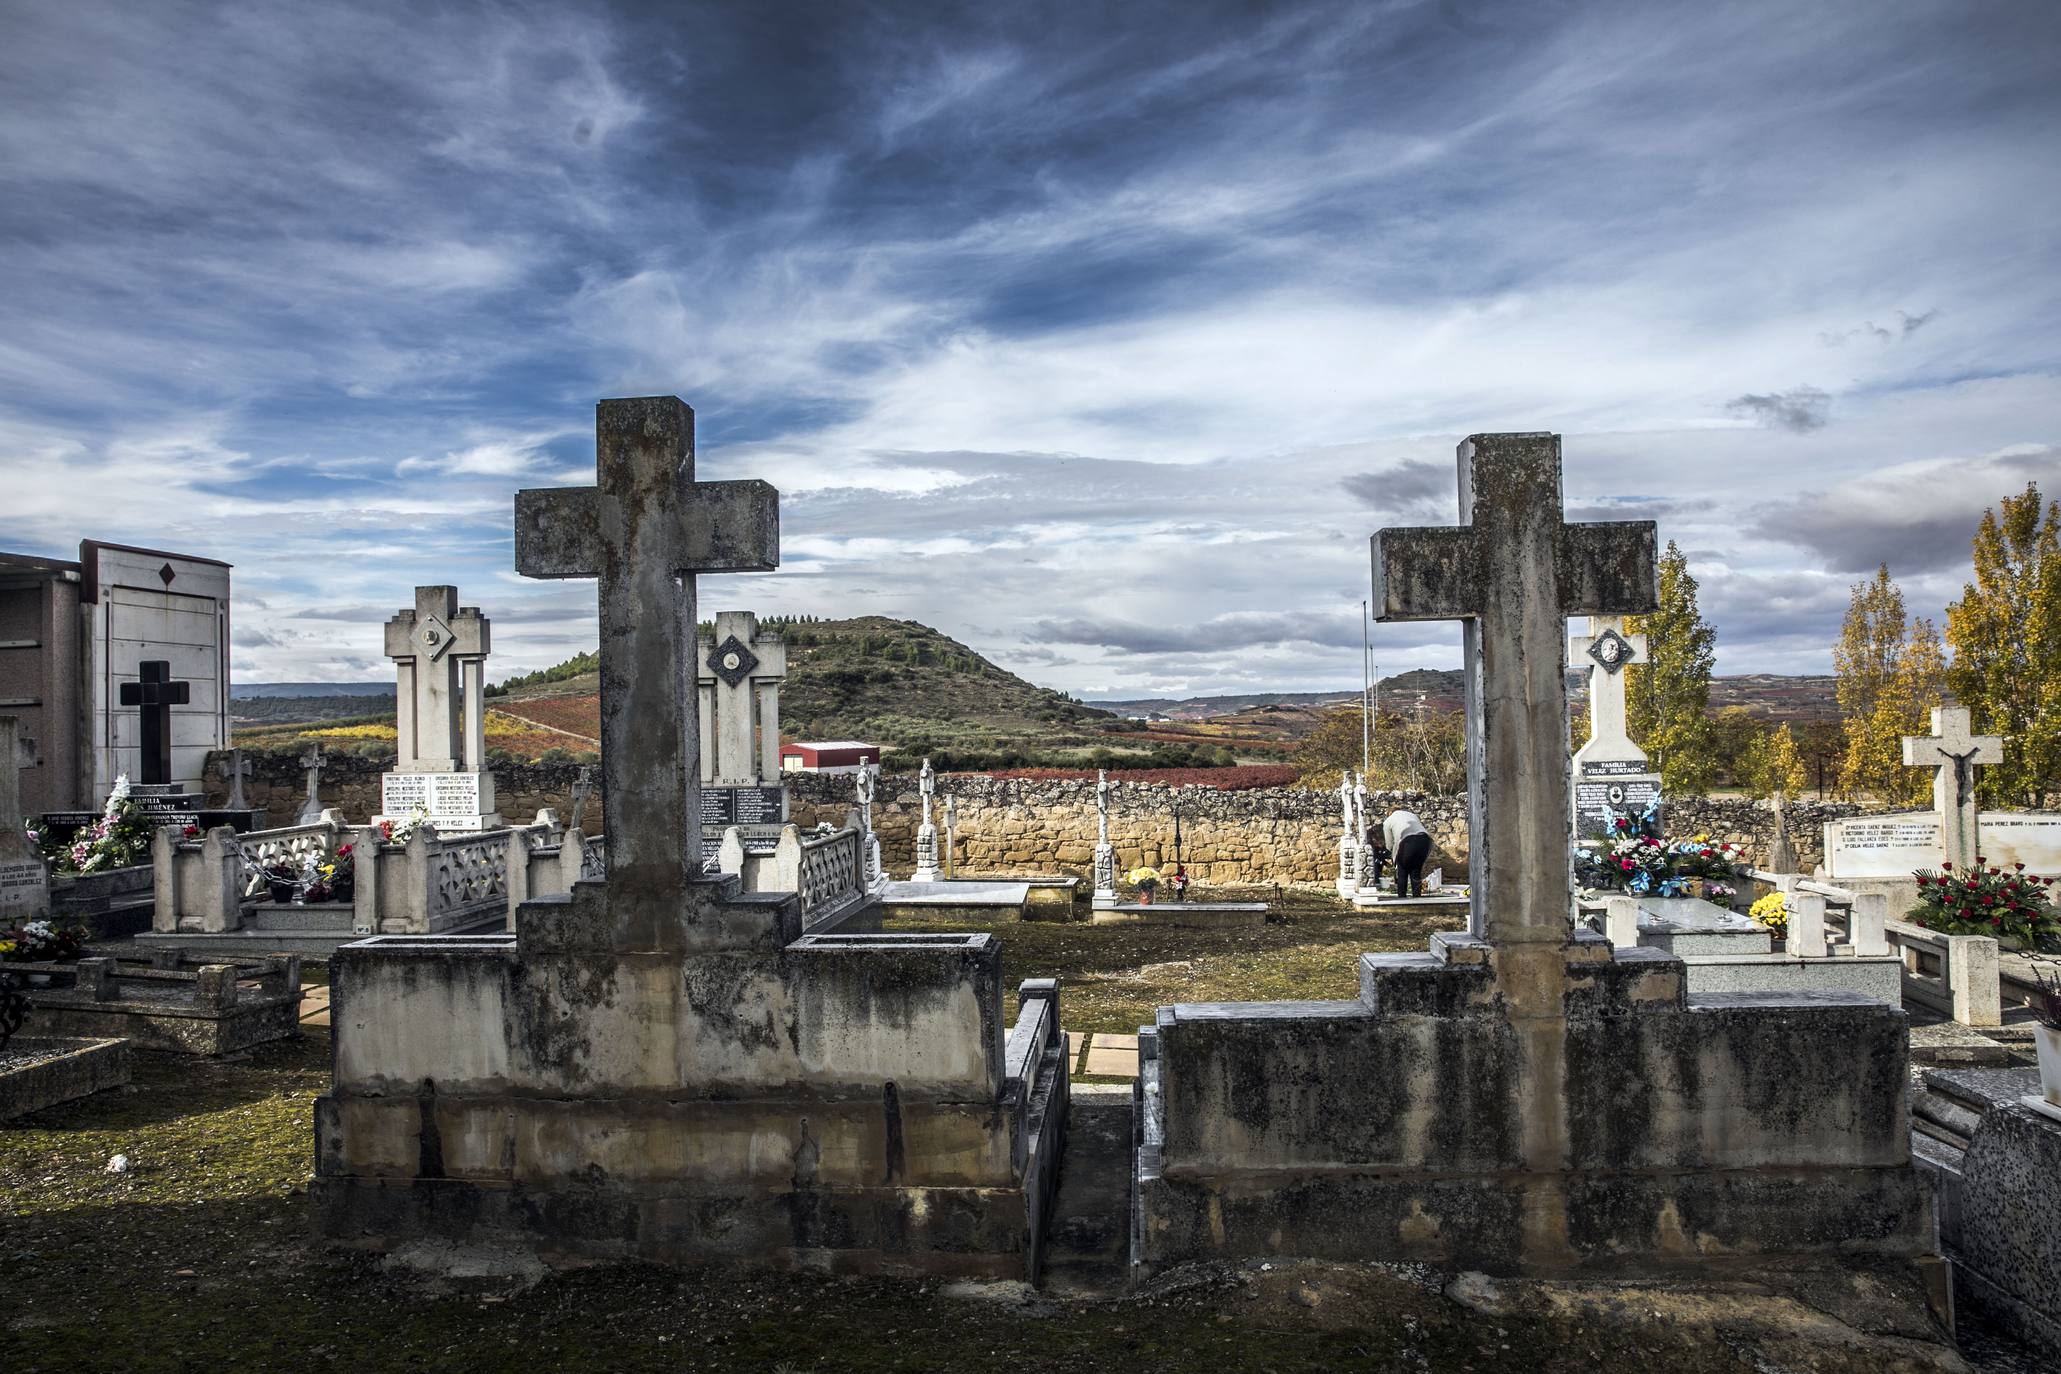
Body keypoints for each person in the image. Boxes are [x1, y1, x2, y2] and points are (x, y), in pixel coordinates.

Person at [1382, 808, 1432, 899]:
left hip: (1408, 841)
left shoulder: (1388, 821)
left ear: (1389, 813)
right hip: (1425, 840)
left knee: (1402, 871)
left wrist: (1393, 858)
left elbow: (1389, 844)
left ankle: (1402, 899)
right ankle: (1417, 898)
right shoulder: (1412, 815)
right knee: (1416, 871)